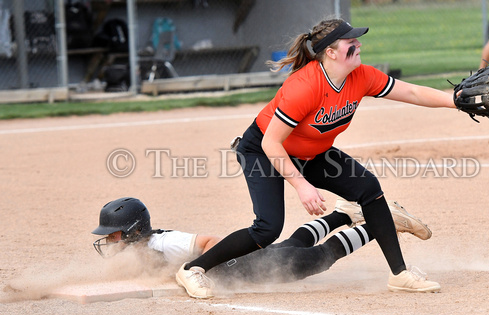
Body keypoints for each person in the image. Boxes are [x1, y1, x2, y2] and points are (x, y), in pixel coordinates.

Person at [178, 18, 457, 299]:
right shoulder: (305, 86)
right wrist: (301, 185)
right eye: (351, 42)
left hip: (310, 151)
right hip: (263, 151)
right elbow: (271, 142)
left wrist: (454, 100)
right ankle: (193, 269)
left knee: (369, 189)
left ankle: (400, 274)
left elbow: (411, 91)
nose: (359, 45)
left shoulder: (361, 76)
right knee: (267, 228)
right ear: (331, 52)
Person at [91, 197, 433, 296]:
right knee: (294, 245)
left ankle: (379, 223)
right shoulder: (145, 249)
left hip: (246, 266)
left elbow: (210, 242)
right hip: (250, 265)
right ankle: (344, 215)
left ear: (134, 230)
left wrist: (210, 266)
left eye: (115, 234)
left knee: (317, 258)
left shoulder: (166, 242)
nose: (109, 240)